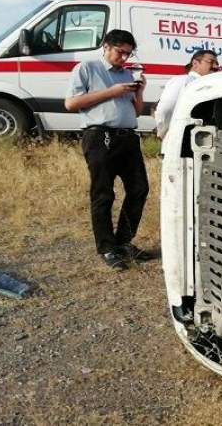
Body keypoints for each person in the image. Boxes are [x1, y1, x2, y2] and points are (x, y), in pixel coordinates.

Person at [64, 29, 150, 270]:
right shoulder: (87, 68)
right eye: (120, 52)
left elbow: (136, 112)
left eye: (128, 54)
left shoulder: (126, 74)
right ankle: (107, 247)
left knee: (139, 189)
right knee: (103, 194)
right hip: (100, 136)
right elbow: (71, 103)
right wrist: (112, 91)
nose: (123, 58)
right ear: (106, 46)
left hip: (128, 137)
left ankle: (124, 242)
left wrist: (139, 92)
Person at [154, 49, 219, 139]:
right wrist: (164, 132)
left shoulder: (211, 85)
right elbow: (166, 109)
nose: (215, 66)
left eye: (217, 63)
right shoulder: (181, 81)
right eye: (211, 62)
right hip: (183, 137)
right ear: (195, 63)